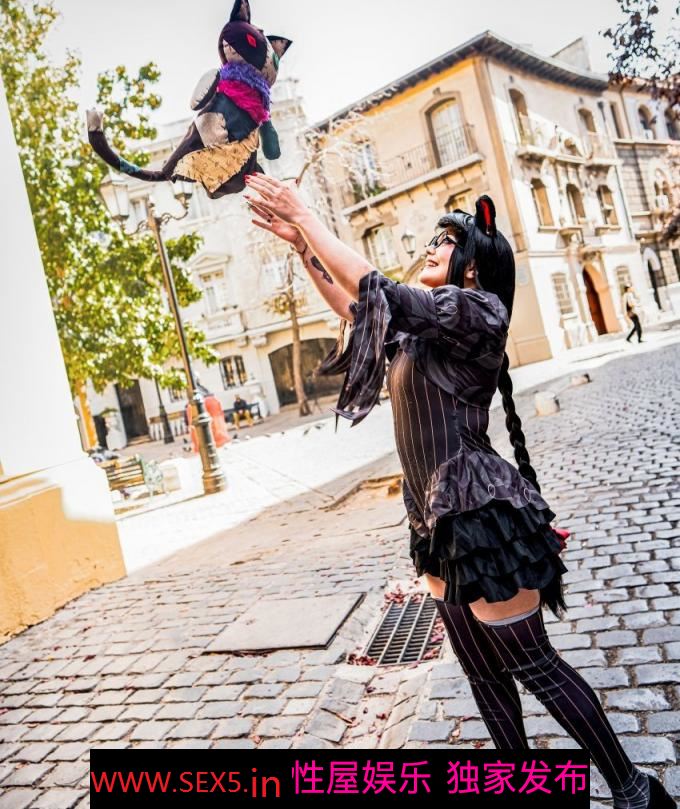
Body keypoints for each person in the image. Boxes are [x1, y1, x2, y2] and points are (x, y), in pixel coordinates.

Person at [245, 173, 675, 809]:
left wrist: (309, 216)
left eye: (444, 242)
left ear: (472, 265)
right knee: (482, 674)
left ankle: (636, 790)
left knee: (534, 666)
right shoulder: (425, 328)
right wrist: (303, 246)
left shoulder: (478, 311)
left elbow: (373, 285)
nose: (430, 247)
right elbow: (356, 307)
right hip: (435, 522)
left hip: (480, 515)